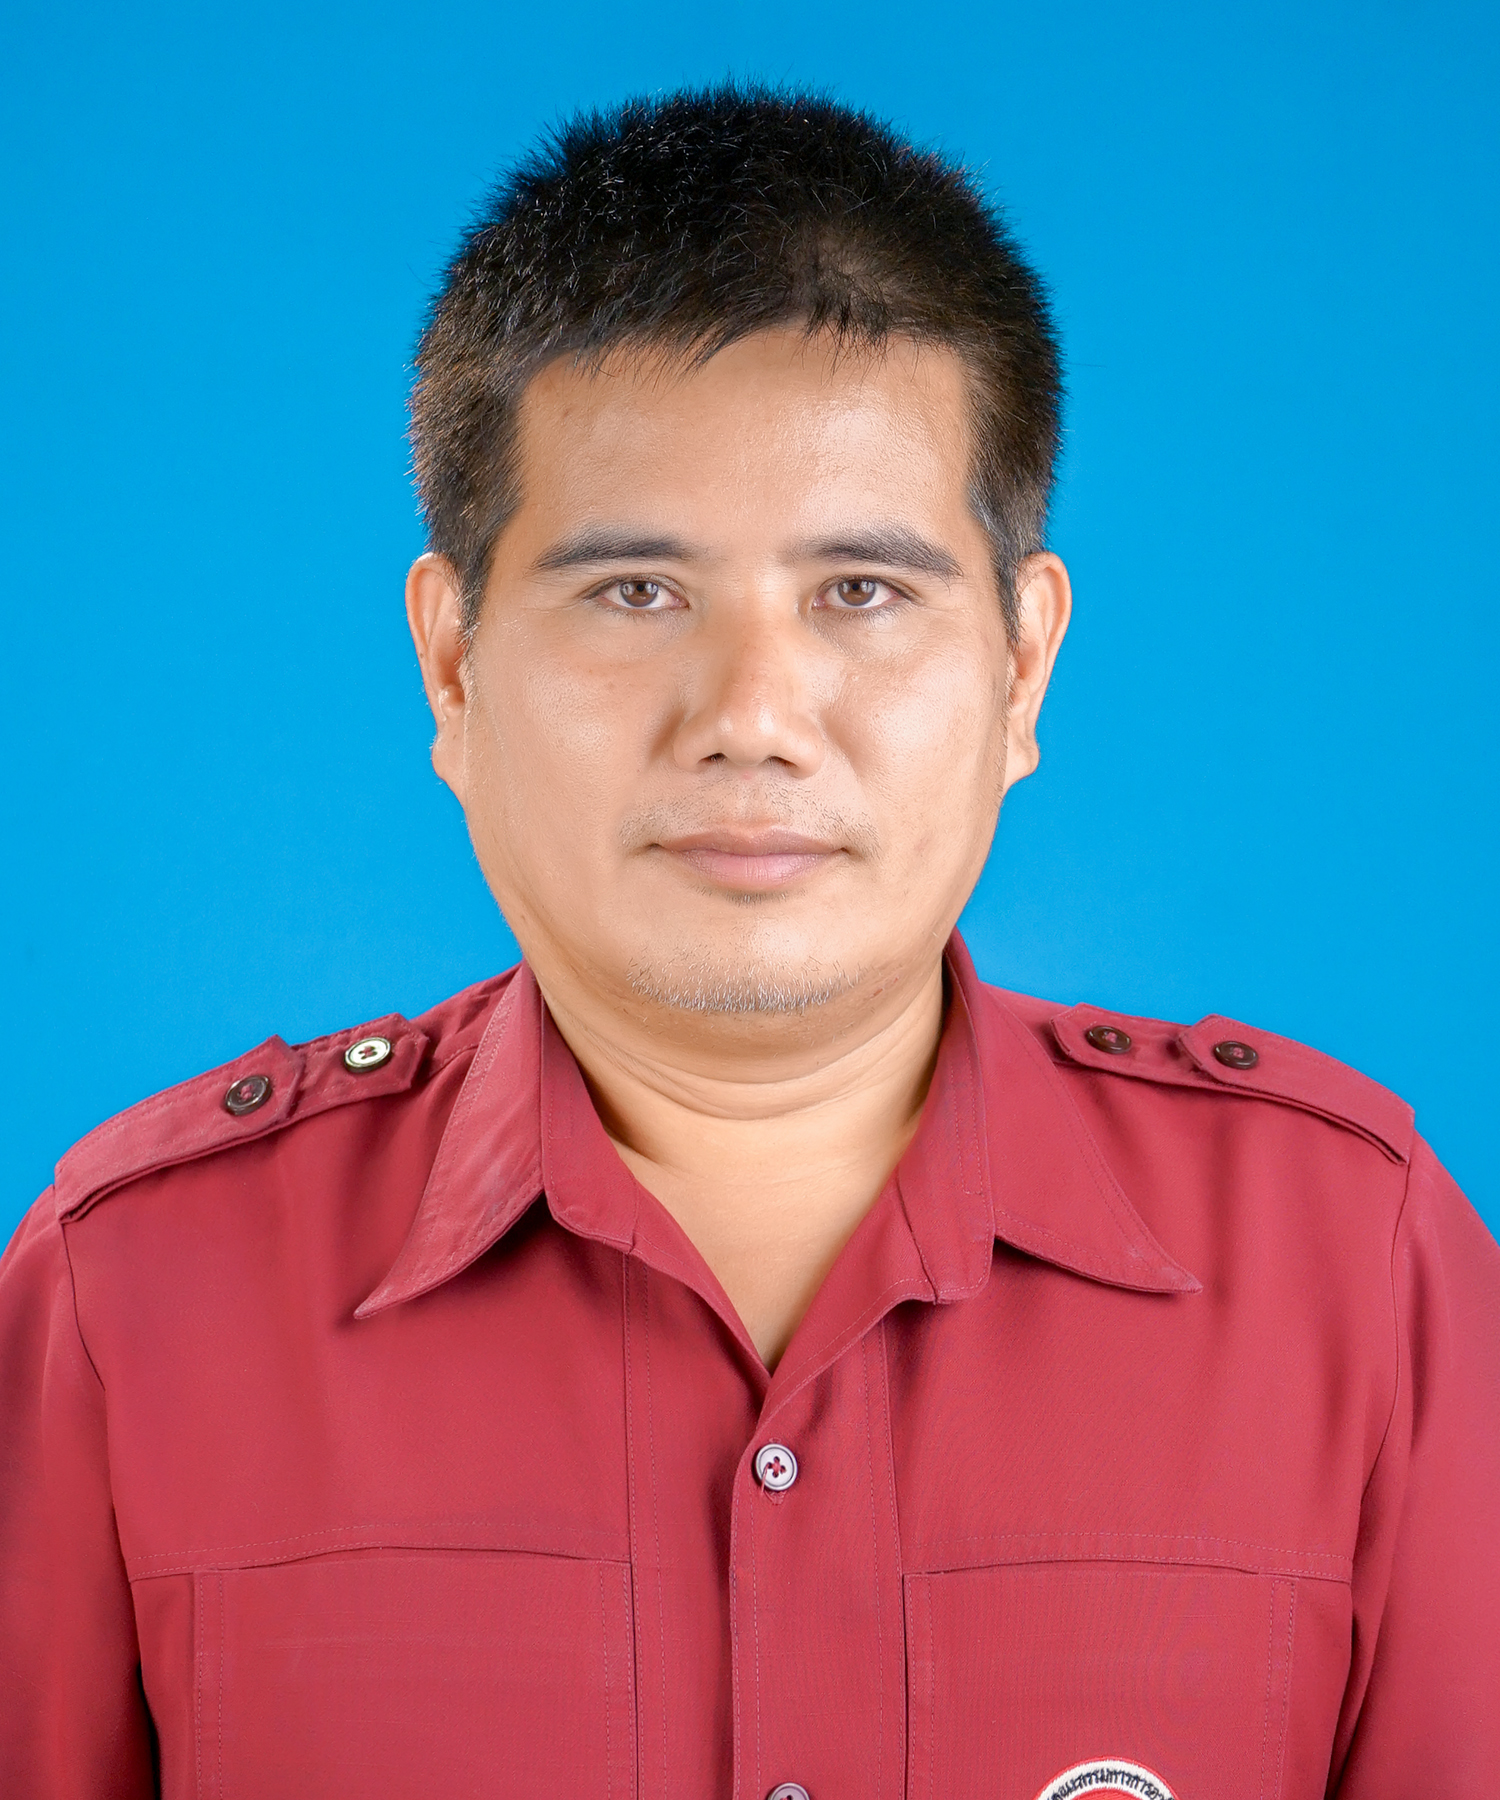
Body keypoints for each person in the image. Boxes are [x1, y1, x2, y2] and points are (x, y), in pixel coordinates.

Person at [1, 85, 1495, 1800]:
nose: (754, 719)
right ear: (454, 666)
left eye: (863, 592)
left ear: (1022, 667)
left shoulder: (1356, 1270)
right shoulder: (134, 1296)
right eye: (636, 593)